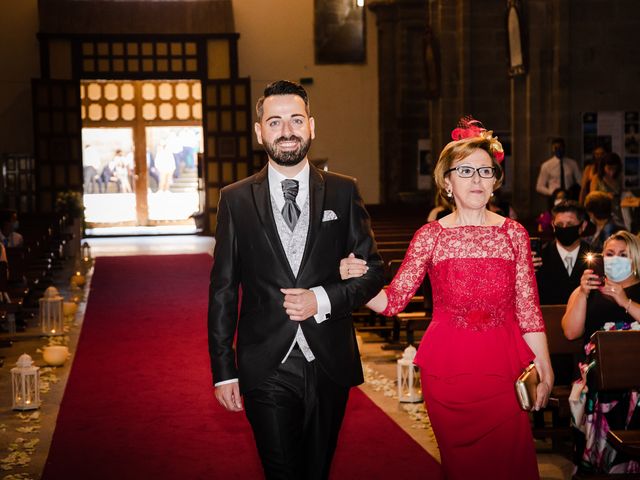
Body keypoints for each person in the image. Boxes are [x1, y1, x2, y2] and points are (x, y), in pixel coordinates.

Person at [341, 117, 553, 480]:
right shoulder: (430, 236)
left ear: (495, 182)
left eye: (485, 171)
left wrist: (545, 369)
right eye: (465, 170)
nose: (476, 179)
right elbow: (393, 301)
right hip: (449, 375)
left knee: (511, 464)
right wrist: (356, 281)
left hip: (504, 370)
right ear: (446, 181)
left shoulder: (513, 234)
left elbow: (529, 309)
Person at [208, 80, 384, 480]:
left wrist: (322, 299)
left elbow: (373, 270)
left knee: (317, 472)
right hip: (266, 363)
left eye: (295, 120)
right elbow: (222, 290)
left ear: (311, 126)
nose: (286, 131)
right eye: (274, 122)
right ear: (259, 132)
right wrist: (224, 370)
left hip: (329, 362)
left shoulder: (343, 191)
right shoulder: (235, 199)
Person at [561, 230, 640, 474]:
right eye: (610, 253)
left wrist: (625, 301)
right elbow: (571, 332)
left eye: (623, 255)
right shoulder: (587, 290)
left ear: (635, 258)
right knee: (595, 387)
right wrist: (583, 294)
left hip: (637, 377)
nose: (615, 258)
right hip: (597, 378)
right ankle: (598, 462)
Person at [535, 200, 592, 306]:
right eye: (560, 224)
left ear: (583, 226)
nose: (564, 228)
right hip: (549, 319)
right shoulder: (539, 258)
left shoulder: (595, 255)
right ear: (553, 225)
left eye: (570, 224)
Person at [589, 152, 623, 223]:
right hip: (602, 213)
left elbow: (621, 193)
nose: (612, 172)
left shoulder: (618, 178)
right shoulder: (597, 178)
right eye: (609, 168)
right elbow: (592, 198)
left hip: (617, 212)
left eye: (614, 169)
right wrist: (605, 196)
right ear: (603, 167)